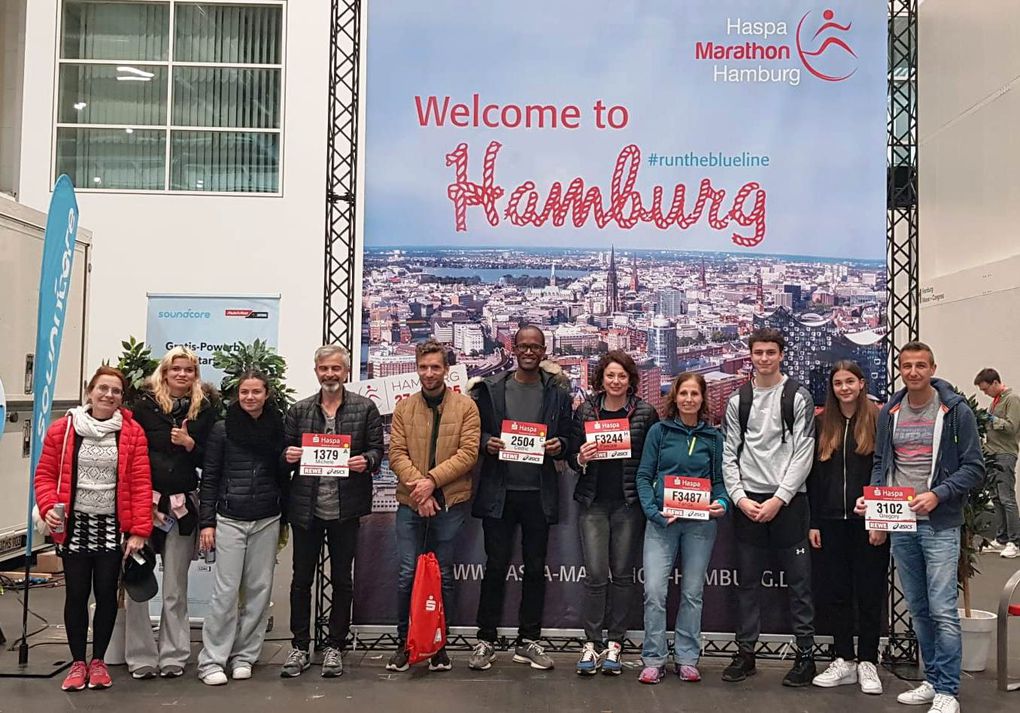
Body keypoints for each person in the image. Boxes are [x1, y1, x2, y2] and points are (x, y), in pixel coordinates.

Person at [856, 342, 983, 713]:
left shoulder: (955, 411)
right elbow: (882, 463)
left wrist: (938, 494)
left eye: (920, 366)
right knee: (919, 607)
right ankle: (931, 681)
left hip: (939, 523)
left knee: (943, 608)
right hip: (900, 522)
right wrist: (876, 510)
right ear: (900, 369)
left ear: (933, 368)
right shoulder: (890, 412)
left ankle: (947, 690)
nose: (913, 372)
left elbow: (973, 468)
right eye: (907, 366)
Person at [34, 366, 152, 691]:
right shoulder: (64, 428)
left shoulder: (132, 433)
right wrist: (47, 507)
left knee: (105, 594)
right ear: (90, 391)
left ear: (121, 398)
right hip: (74, 526)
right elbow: (44, 475)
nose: (108, 395)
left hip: (113, 527)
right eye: (103, 388)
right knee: (75, 594)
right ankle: (77, 663)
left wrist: (140, 529)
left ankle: (98, 662)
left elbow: (141, 484)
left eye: (115, 391)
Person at [467, 325, 573, 671]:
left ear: (544, 351)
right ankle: (485, 639)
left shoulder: (556, 393)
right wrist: (487, 443)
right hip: (501, 490)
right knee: (495, 567)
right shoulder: (493, 389)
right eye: (523, 346)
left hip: (538, 493)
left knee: (535, 569)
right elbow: (476, 430)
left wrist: (562, 446)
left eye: (535, 347)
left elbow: (570, 435)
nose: (529, 352)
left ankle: (529, 640)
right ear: (513, 349)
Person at [280, 345, 384, 678]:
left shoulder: (365, 408)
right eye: (324, 369)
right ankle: (299, 646)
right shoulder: (298, 410)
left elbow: (377, 451)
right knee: (301, 581)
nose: (330, 374)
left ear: (346, 372)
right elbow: (280, 454)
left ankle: (335, 648)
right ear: (316, 371)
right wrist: (289, 455)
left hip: (346, 508)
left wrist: (365, 461)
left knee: (342, 580)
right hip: (306, 508)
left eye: (336, 369)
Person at [721, 327, 817, 686]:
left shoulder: (797, 396)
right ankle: (746, 653)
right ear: (751, 355)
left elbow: (803, 453)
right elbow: (728, 453)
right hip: (748, 502)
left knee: (800, 583)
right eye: (758, 352)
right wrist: (740, 498)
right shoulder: (738, 401)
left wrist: (780, 498)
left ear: (781, 355)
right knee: (747, 583)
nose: (764, 358)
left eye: (770, 352)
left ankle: (805, 655)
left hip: (789, 503)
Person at [385, 340, 480, 673]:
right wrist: (420, 492)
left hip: (450, 502)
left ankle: (439, 646)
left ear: (446, 370)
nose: (429, 373)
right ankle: (403, 643)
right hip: (412, 503)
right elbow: (396, 453)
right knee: (407, 575)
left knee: (443, 577)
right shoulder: (404, 408)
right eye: (423, 367)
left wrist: (432, 484)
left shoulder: (466, 407)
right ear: (417, 368)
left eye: (435, 367)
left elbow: (468, 454)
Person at [124, 347, 216, 679]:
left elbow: (212, 460)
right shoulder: (143, 407)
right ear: (164, 372)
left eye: (188, 370)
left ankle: (174, 655)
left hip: (182, 506)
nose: (181, 374)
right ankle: (140, 656)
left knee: (175, 587)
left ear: (195, 374)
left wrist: (191, 445)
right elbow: (129, 453)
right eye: (175, 369)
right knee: (138, 579)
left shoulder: (205, 410)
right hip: (144, 504)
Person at [567, 350, 659, 675]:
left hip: (627, 504)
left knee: (622, 575)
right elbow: (570, 458)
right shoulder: (586, 411)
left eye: (622, 376)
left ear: (630, 379)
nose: (616, 381)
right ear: (601, 379)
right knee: (594, 575)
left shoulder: (646, 413)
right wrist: (580, 457)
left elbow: (654, 458)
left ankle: (615, 644)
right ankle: (591, 642)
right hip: (593, 503)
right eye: (610, 376)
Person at [634, 372, 728, 685]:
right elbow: (644, 477)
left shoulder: (714, 438)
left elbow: (719, 483)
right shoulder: (659, 432)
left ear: (702, 399)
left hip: (700, 525)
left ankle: (687, 658)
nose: (689, 399)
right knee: (655, 592)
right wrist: (653, 512)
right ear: (674, 397)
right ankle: (654, 658)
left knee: (692, 593)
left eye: (695, 394)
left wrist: (722, 504)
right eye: (683, 393)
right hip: (661, 524)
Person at [196, 371, 287, 685]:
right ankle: (212, 661)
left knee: (259, 592)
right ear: (237, 394)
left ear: (266, 394)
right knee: (225, 592)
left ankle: (245, 656)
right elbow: (209, 478)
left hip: (267, 518)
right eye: (245, 392)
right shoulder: (222, 430)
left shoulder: (279, 428)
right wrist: (207, 522)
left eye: (256, 392)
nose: (250, 397)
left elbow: (283, 471)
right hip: (230, 518)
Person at [807, 361, 887, 694]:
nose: (844, 388)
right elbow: (812, 476)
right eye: (838, 382)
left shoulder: (880, 419)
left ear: (861, 383)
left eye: (850, 381)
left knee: (869, 592)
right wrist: (814, 521)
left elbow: (887, 468)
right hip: (829, 522)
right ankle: (843, 658)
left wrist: (879, 518)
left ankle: (868, 659)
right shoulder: (821, 422)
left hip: (869, 523)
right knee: (835, 592)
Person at [973, 368, 1020, 558]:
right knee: (997, 498)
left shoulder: (1012, 399)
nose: (985, 393)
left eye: (986, 389)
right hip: (993, 454)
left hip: (1005, 454)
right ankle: (1001, 539)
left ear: (995, 383)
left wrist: (992, 420)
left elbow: (1011, 427)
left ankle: (1015, 542)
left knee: (1007, 498)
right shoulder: (996, 401)